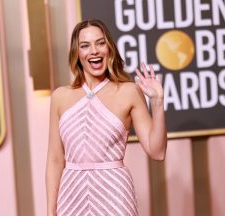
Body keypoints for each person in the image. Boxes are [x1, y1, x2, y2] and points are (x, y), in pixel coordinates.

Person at [46, 19, 167, 216]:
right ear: (77, 54)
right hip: (71, 198)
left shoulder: (128, 91)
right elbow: (55, 160)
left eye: (100, 43)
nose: (94, 50)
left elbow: (157, 151)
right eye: (85, 46)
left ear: (109, 48)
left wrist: (158, 102)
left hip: (114, 196)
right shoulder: (60, 96)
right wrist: (51, 211)